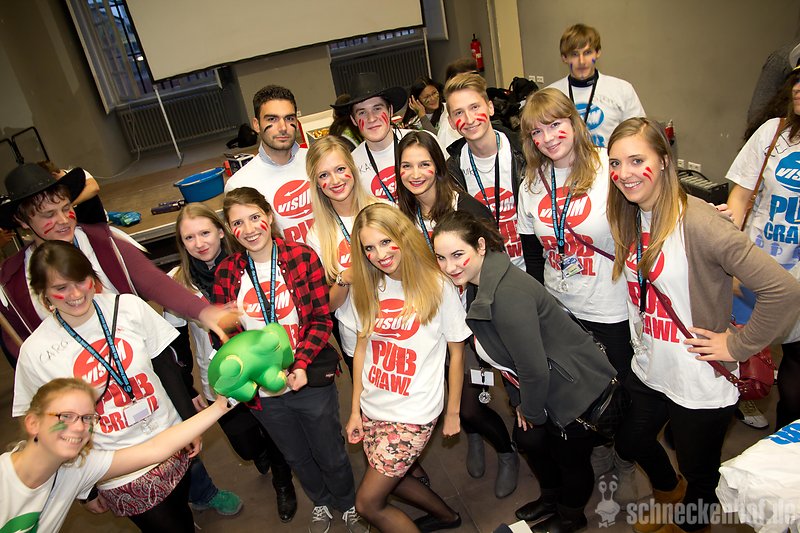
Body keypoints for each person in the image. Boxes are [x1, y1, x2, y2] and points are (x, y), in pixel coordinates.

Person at [606, 117, 800, 533]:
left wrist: (737, 345)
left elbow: (783, 291)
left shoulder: (700, 223)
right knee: (630, 440)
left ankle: (691, 524)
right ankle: (668, 491)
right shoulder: (631, 215)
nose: (624, 173)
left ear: (664, 161)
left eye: (636, 160)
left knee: (699, 473)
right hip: (651, 366)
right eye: (615, 163)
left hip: (698, 380)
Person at [432, 210, 620, 533]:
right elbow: (514, 361)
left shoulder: (506, 295)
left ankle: (571, 516)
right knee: (531, 441)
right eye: (441, 258)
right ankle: (551, 498)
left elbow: (532, 368)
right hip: (545, 386)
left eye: (458, 254)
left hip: (572, 391)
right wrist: (523, 403)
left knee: (569, 458)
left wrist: (529, 411)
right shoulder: (479, 282)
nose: (450, 267)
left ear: (480, 246)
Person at [12, 240, 217, 531]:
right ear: (43, 294)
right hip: (117, 468)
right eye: (61, 288)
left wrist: (188, 423)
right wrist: (84, 489)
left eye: (81, 280)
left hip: (171, 439)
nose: (76, 294)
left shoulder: (128, 307)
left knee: (181, 512)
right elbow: (48, 429)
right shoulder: (36, 352)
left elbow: (166, 369)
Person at [211, 187, 368, 533]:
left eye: (255, 217)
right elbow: (223, 341)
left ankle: (347, 504)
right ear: (229, 230)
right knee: (296, 455)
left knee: (330, 451)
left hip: (308, 378)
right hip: (263, 393)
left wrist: (299, 365)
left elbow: (321, 319)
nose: (249, 229)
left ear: (269, 216)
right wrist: (225, 329)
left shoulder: (301, 257)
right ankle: (321, 501)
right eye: (238, 223)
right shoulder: (226, 273)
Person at [516, 87, 636, 496]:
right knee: (580, 392)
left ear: (574, 121)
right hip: (561, 311)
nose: (547, 138)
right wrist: (540, 307)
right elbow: (533, 252)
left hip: (609, 304)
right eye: (536, 132)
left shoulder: (607, 167)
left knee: (619, 389)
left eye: (554, 125)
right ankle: (599, 446)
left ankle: (626, 456)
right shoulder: (532, 183)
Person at [0, 163, 235, 367]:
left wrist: (202, 311)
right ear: (22, 220)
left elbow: (153, 281)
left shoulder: (104, 242)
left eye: (66, 208)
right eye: (48, 215)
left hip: (138, 365)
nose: (63, 220)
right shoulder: (13, 283)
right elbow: (23, 351)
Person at [396, 131, 520, 498]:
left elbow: (496, 264)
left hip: (473, 323)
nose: (415, 173)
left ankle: (506, 451)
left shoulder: (466, 209)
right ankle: (475, 436)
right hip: (435, 325)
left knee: (472, 404)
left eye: (423, 164)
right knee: (458, 399)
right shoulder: (405, 215)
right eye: (406, 165)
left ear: (438, 166)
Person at [164, 202, 297, 521]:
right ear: (182, 243)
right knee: (246, 446)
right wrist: (187, 388)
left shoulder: (249, 263)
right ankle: (262, 452)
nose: (200, 243)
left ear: (221, 232)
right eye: (189, 238)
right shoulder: (177, 283)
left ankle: (283, 483)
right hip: (221, 380)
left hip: (263, 369)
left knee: (276, 435)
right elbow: (175, 343)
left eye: (205, 233)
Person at [345, 203, 469, 532]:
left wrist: (453, 412)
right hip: (373, 405)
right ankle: (447, 517)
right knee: (392, 478)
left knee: (368, 503)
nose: (380, 254)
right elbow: (361, 350)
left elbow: (457, 353)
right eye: (369, 248)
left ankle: (446, 517)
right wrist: (355, 410)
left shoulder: (437, 284)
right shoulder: (368, 286)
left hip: (414, 411)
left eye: (386, 242)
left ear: (403, 236)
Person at [2, 377, 233, 533]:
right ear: (33, 423)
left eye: (87, 418)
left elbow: (156, 449)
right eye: (65, 416)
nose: (79, 427)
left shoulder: (77, 468)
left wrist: (223, 404)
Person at [727, 63, 800, 432]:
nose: (798, 88)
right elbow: (740, 198)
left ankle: (785, 444)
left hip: (797, 279)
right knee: (730, 356)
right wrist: (731, 262)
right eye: (797, 79)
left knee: (795, 374)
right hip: (752, 270)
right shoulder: (773, 133)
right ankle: (709, 423)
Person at [305, 136, 382, 375]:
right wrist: (344, 278)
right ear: (317, 184)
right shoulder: (317, 235)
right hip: (357, 339)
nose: (335, 180)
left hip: (401, 328)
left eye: (340, 169)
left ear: (352, 168)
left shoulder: (384, 211)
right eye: (324, 175)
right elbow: (328, 305)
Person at [443, 72, 528, 270]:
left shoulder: (525, 152)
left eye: (475, 107)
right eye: (459, 113)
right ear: (451, 122)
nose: (469, 119)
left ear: (490, 107)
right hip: (486, 275)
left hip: (532, 270)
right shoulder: (451, 172)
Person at [223, 85, 315, 244]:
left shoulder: (316, 161)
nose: (283, 128)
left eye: (289, 118)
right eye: (272, 119)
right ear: (256, 124)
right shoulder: (239, 184)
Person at [333, 72, 440, 204]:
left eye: (377, 108)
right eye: (362, 112)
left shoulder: (425, 142)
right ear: (353, 120)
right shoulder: (350, 166)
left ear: (390, 111)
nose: (371, 118)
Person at [547, 23, 645, 148]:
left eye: (587, 52)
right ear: (564, 58)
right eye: (574, 54)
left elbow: (640, 136)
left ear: (598, 53)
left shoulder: (622, 90)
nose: (582, 61)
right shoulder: (550, 95)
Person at [37, 160, 106, 224]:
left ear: (53, 175)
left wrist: (69, 205)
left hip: (95, 219)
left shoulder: (79, 174)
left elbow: (94, 189)